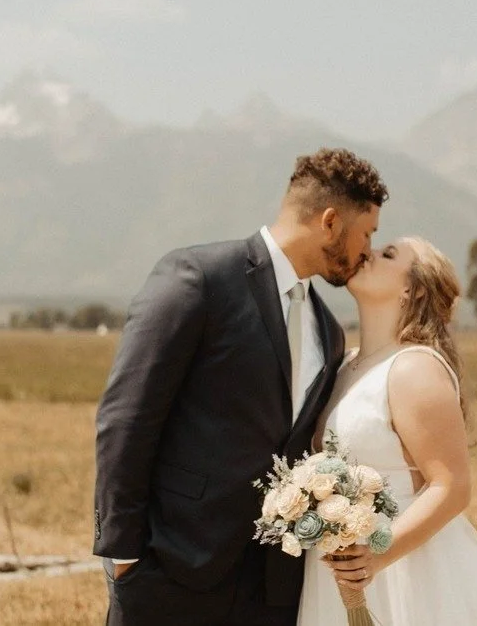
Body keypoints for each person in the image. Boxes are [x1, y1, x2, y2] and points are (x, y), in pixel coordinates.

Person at [94, 148, 388, 625]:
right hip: (171, 566)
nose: (368, 251)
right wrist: (123, 554)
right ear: (331, 222)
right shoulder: (198, 278)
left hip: (272, 587)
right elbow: (127, 417)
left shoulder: (330, 331)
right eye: (367, 233)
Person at [298, 237, 477, 625]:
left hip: (401, 571)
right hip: (338, 568)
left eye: (388, 254)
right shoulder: (344, 366)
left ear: (411, 289)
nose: (368, 253)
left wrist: (378, 554)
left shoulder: (415, 367)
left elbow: (451, 486)